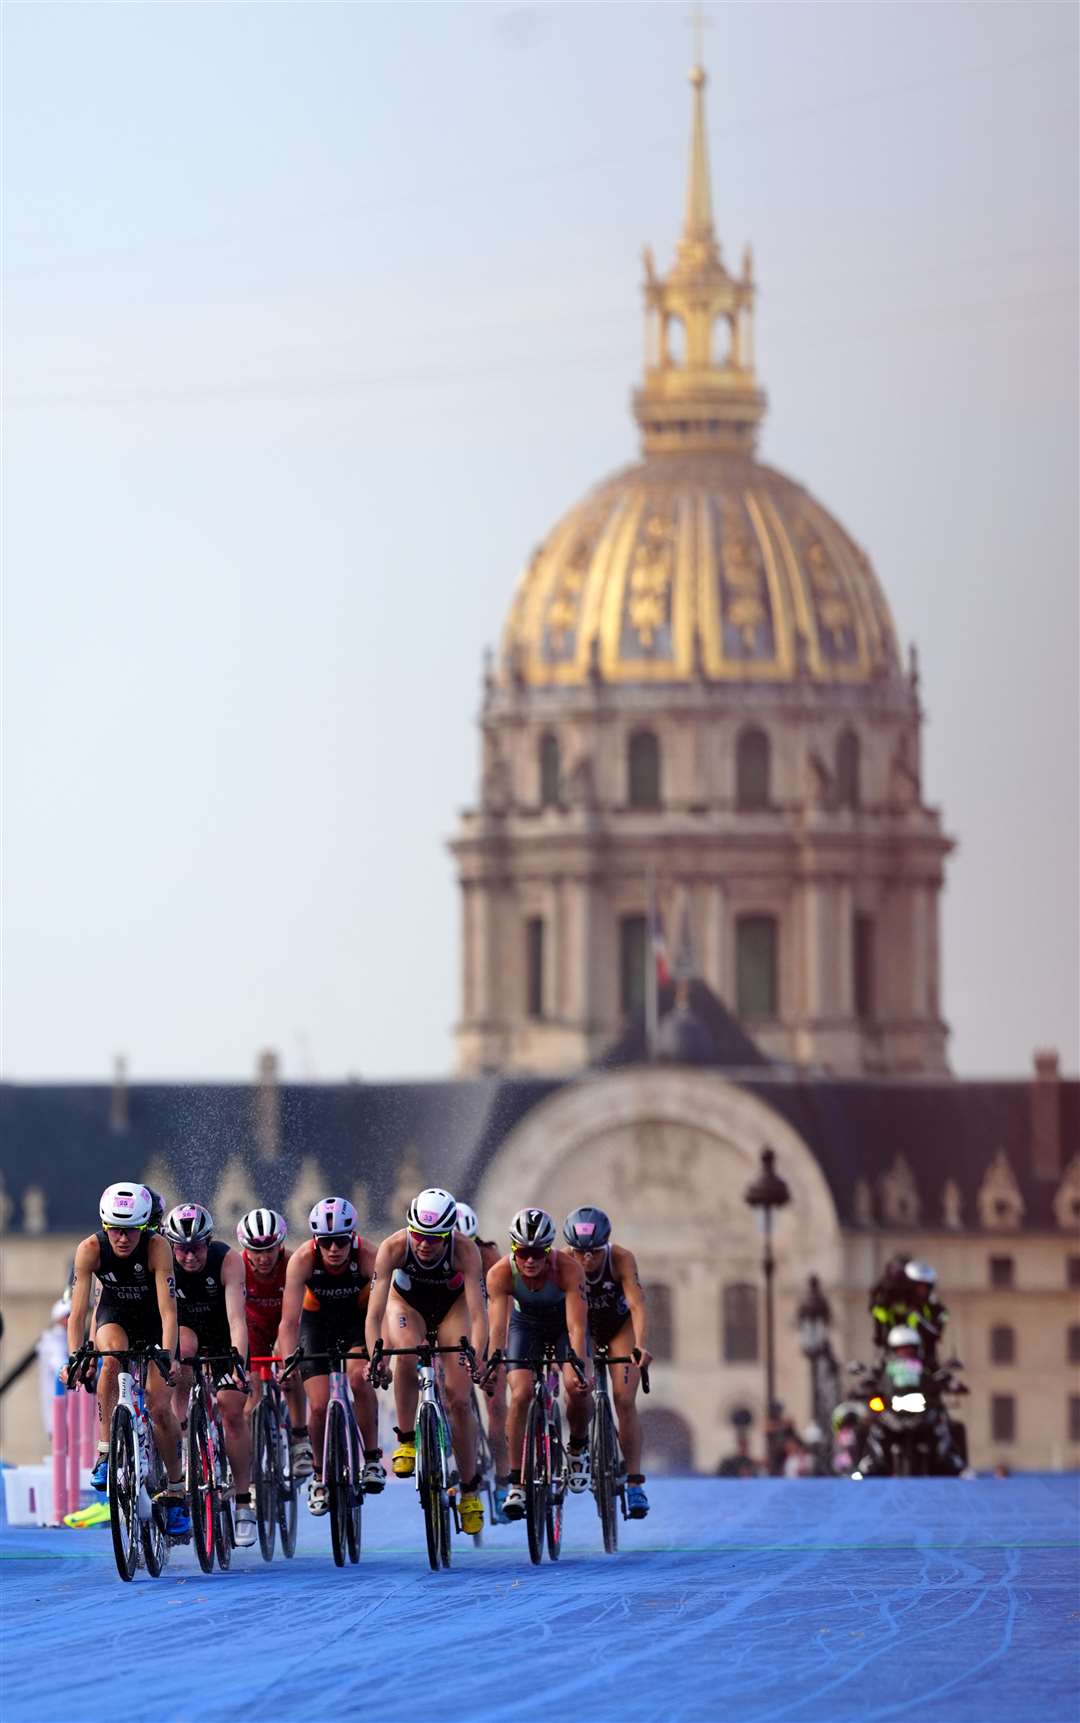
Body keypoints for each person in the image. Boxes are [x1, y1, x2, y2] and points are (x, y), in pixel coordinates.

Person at [65, 1183, 190, 1537]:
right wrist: (77, 1355)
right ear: (106, 1228)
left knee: (159, 1407)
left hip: (153, 1321)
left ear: (144, 1229)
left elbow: (169, 1312)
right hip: (115, 1316)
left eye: (131, 1231)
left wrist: (167, 1355)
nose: (123, 1239)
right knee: (110, 1359)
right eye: (116, 1231)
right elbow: (78, 1313)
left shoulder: (157, 1247)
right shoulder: (89, 1249)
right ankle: (105, 1452)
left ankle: (177, 1491)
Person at [365, 1187, 489, 1537]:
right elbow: (374, 1312)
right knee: (405, 1351)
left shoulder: (465, 1250)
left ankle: (469, 1491)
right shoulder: (393, 1247)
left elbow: (479, 1317)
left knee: (460, 1399)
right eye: (418, 1235)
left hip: (451, 1310)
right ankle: (406, 1438)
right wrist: (376, 1353)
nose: (423, 1244)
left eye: (433, 1239)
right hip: (407, 1307)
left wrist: (476, 1357)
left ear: (449, 1233)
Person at [278, 1196, 385, 1515]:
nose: (334, 1249)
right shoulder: (301, 1260)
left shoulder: (370, 1256)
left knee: (359, 1378)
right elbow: (289, 1322)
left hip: (358, 1323)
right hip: (317, 1325)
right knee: (320, 1403)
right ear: (315, 1241)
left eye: (340, 1241)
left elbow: (380, 1315)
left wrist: (380, 1357)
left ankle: (372, 1459)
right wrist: (288, 1361)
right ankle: (320, 1477)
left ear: (352, 1237)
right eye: (326, 1242)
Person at [485, 1207, 593, 1522]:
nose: (529, 1260)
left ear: (549, 1252)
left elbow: (576, 1327)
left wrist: (576, 1362)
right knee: (519, 1395)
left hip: (561, 1327)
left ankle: (577, 1448)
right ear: (513, 1250)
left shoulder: (569, 1270)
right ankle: (517, 1482)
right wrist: (495, 1358)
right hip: (525, 1326)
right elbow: (497, 1329)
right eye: (522, 1252)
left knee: (576, 1386)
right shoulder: (500, 1273)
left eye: (537, 1253)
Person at [163, 1202, 255, 1547]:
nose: (189, 1257)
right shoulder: (165, 1260)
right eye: (182, 1249)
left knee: (232, 1412)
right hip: (184, 1328)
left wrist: (238, 1363)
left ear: (208, 1242)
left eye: (196, 1248)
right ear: (172, 1246)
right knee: (182, 1351)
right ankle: (182, 1423)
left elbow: (236, 1320)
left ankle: (244, 1501)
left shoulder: (227, 1260)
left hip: (221, 1334)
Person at [562, 1205, 653, 1518]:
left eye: (594, 1253)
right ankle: (579, 1446)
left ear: (606, 1246)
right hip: (581, 1330)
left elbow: (638, 1304)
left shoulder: (621, 1259)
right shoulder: (560, 1262)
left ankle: (634, 1482)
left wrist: (640, 1346)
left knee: (624, 1399)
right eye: (579, 1253)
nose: (586, 1261)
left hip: (617, 1328)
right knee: (576, 1389)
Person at [236, 1207, 313, 1478]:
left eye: (270, 1249)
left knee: (291, 1373)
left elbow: (293, 1321)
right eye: (256, 1251)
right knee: (251, 1401)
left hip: (286, 1324)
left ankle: (300, 1438)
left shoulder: (293, 1264)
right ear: (245, 1249)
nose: (264, 1257)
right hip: (253, 1328)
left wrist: (286, 1355)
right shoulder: (237, 1267)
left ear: (280, 1245)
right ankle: (252, 1471)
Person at [456, 1200, 511, 1520]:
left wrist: (493, 1353)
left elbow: (501, 1309)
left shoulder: (489, 1257)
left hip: (486, 1331)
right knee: (454, 1399)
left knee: (496, 1408)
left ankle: (503, 1478)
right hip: (453, 1331)